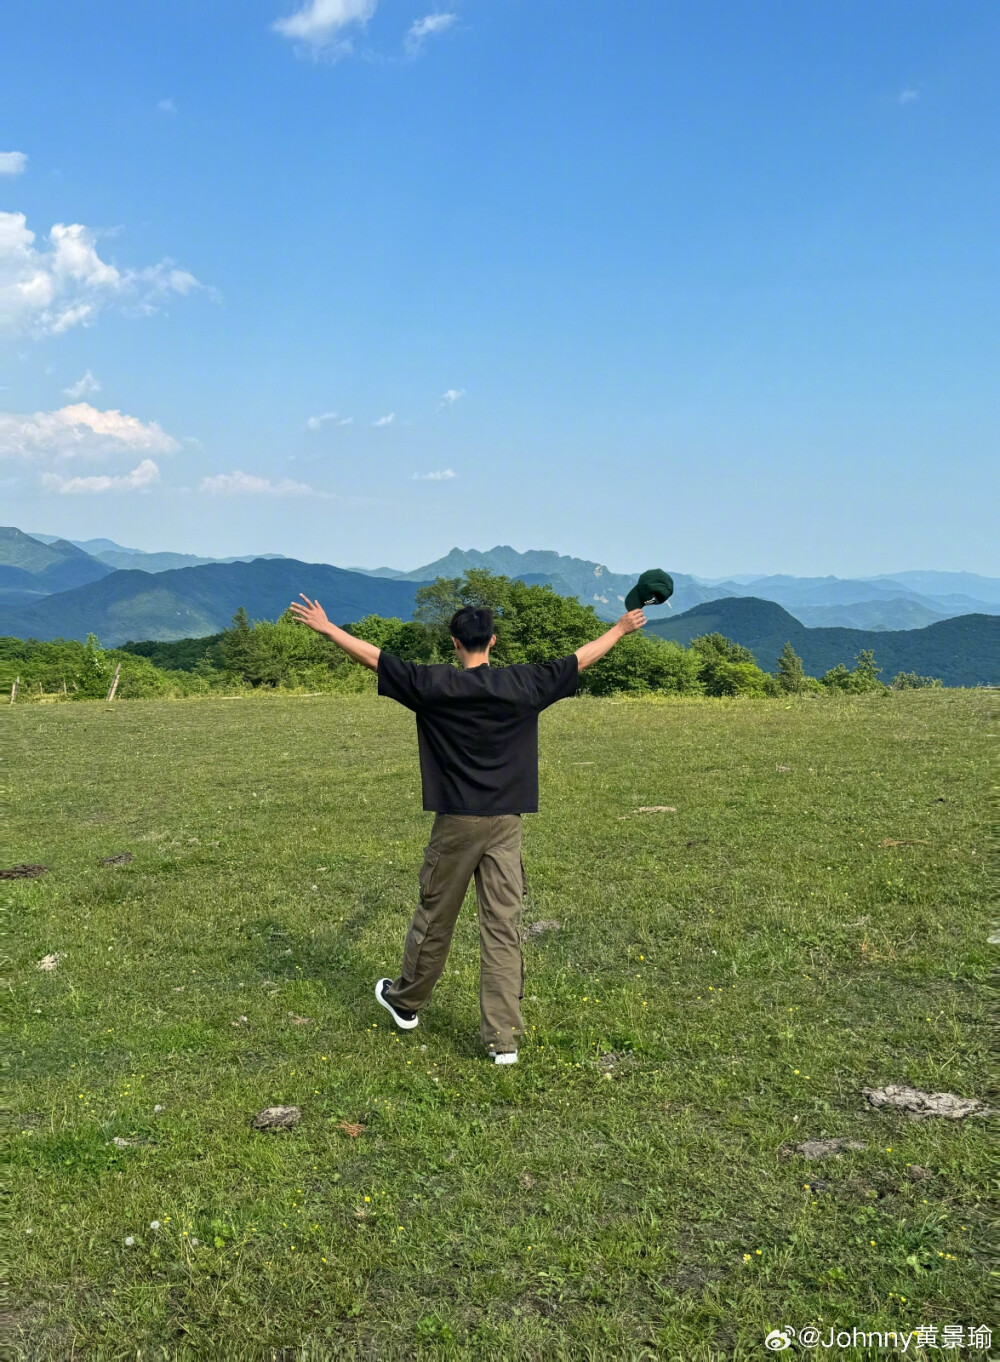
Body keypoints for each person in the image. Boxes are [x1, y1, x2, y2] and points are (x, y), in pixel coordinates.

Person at [289, 593, 647, 1064]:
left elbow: (374, 658)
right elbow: (580, 660)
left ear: (455, 642)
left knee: (435, 916)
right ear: (493, 641)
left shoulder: (434, 685)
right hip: (507, 822)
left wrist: (328, 628)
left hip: (457, 821)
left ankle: (405, 1001)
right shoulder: (525, 683)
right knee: (502, 927)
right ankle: (503, 1042)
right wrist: (620, 629)